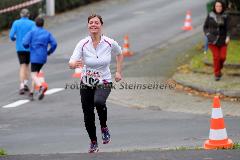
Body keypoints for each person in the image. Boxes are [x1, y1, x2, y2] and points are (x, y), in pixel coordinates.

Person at [69, 14, 123, 153]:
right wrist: (74, 64)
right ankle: (93, 142)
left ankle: (104, 127)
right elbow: (72, 62)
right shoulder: (82, 43)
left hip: (104, 80)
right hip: (86, 82)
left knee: (99, 102)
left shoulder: (110, 42)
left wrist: (118, 72)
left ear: (101, 25)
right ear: (88, 26)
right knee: (88, 115)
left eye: (96, 23)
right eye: (91, 23)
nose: (93, 25)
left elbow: (119, 54)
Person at [23, 17, 57, 100]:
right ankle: (31, 93)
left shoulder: (32, 32)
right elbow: (54, 44)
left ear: (35, 23)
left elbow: (24, 43)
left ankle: (41, 87)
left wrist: (27, 46)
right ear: (43, 24)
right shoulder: (47, 33)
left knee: (33, 75)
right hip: (43, 57)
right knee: (36, 74)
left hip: (35, 56)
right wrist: (49, 52)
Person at [9, 8, 35, 94]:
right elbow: (35, 35)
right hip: (29, 48)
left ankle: (22, 85)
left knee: (22, 65)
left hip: (20, 48)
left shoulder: (16, 23)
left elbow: (11, 36)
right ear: (28, 15)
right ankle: (26, 83)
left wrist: (16, 38)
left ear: (20, 14)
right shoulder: (32, 23)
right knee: (27, 65)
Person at [203, 0, 230, 81]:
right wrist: (207, 35)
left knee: (223, 57)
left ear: (222, 7)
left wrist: (228, 36)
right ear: (214, 7)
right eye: (217, 6)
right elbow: (205, 27)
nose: (218, 8)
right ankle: (217, 74)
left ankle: (218, 67)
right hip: (212, 40)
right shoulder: (210, 15)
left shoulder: (226, 16)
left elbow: (228, 28)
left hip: (223, 40)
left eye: (220, 6)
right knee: (216, 57)